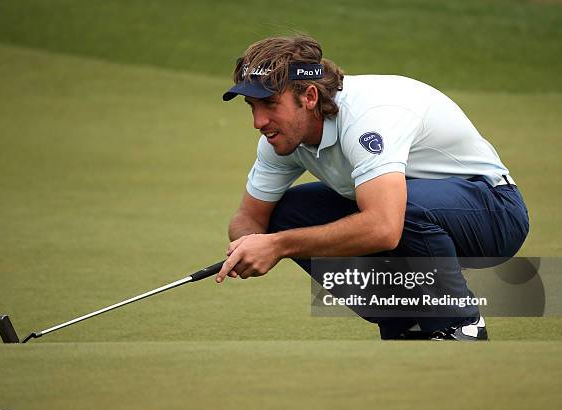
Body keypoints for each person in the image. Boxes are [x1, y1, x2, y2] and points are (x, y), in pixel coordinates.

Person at [214, 35, 529, 340]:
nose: (258, 121)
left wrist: (278, 246)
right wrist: (248, 245)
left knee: (398, 211)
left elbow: (385, 228)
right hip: (417, 215)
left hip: (493, 212)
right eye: (251, 106)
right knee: (285, 214)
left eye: (269, 104)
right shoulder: (280, 137)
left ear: (309, 97)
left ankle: (460, 325)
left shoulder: (367, 118)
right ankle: (405, 322)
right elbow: (249, 218)